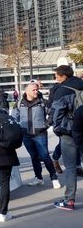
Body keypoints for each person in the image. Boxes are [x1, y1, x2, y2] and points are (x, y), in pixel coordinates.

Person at [12, 82, 60, 189]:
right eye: (33, 90)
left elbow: (52, 113)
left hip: (40, 133)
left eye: (37, 90)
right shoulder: (20, 103)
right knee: (34, 157)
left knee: (45, 156)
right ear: (27, 91)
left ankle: (54, 178)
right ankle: (38, 178)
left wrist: (47, 124)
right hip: (26, 135)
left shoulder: (43, 102)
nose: (36, 92)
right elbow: (14, 117)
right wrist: (18, 129)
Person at [50, 65, 83, 210]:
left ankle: (69, 201)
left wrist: (57, 129)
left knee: (70, 167)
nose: (56, 78)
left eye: (57, 75)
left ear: (64, 76)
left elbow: (56, 112)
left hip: (69, 131)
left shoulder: (63, 90)